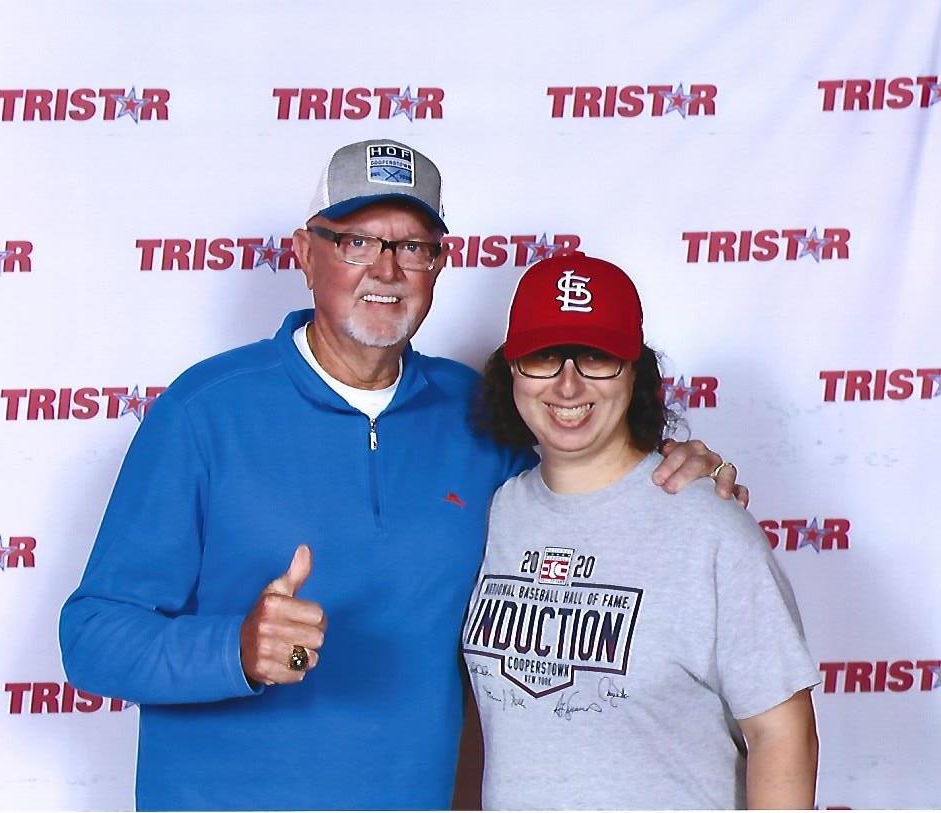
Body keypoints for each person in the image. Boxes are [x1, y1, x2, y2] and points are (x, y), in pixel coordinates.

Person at [59, 139, 743, 811]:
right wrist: (234, 648)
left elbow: (590, 491)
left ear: (438, 265)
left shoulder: (477, 413)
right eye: (357, 241)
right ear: (304, 253)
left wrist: (679, 475)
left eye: (412, 246)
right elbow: (91, 638)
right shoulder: (204, 412)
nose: (385, 269)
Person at [463, 251, 819, 809]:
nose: (568, 385)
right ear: (512, 370)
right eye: (546, 357)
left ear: (636, 373)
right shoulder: (499, 511)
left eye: (597, 358)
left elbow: (782, 732)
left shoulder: (709, 527)